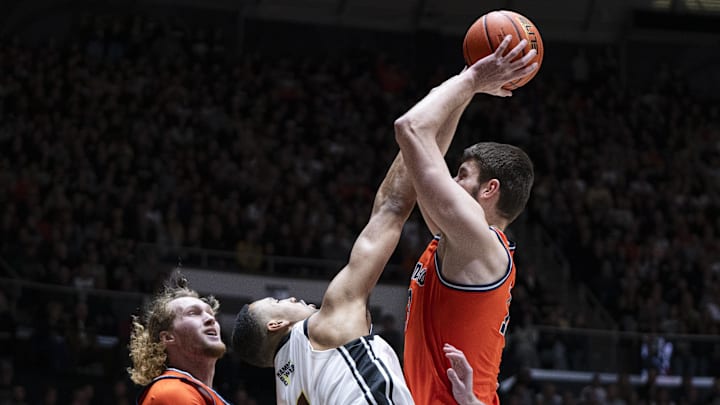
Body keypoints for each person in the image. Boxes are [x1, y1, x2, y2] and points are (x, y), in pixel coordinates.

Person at [231, 36, 534, 405]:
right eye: (279, 302)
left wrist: (465, 88)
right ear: (276, 325)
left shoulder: (287, 384)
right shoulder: (327, 322)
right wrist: (469, 81)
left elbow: (418, 165)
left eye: (461, 174)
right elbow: (399, 181)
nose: (292, 297)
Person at [395, 34, 538, 405]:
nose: (451, 181)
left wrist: (473, 80)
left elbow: (410, 127)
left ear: (489, 190)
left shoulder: (476, 241)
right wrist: (470, 81)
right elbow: (424, 147)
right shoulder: (460, 242)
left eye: (461, 175)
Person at [127, 272, 231, 404]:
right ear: (168, 337)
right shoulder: (172, 392)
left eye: (211, 314)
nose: (211, 319)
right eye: (193, 313)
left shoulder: (191, 392)